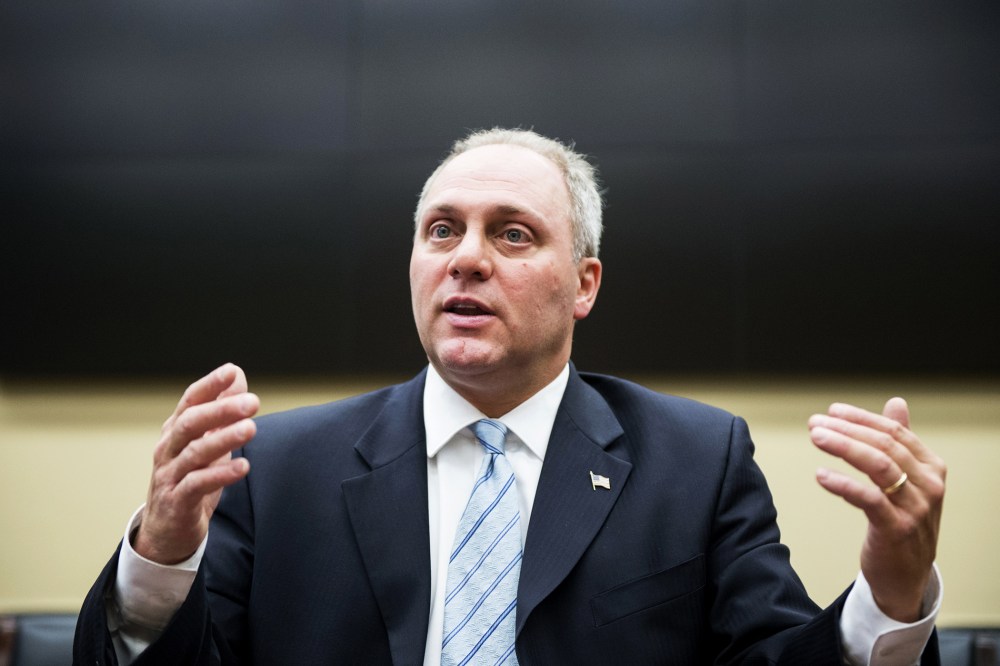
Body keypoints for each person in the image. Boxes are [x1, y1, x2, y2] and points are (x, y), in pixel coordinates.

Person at [74, 128, 946, 665]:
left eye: (513, 234)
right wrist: (158, 563)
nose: (467, 257)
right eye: (442, 229)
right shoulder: (279, 466)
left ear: (584, 284)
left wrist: (892, 594)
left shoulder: (695, 459)